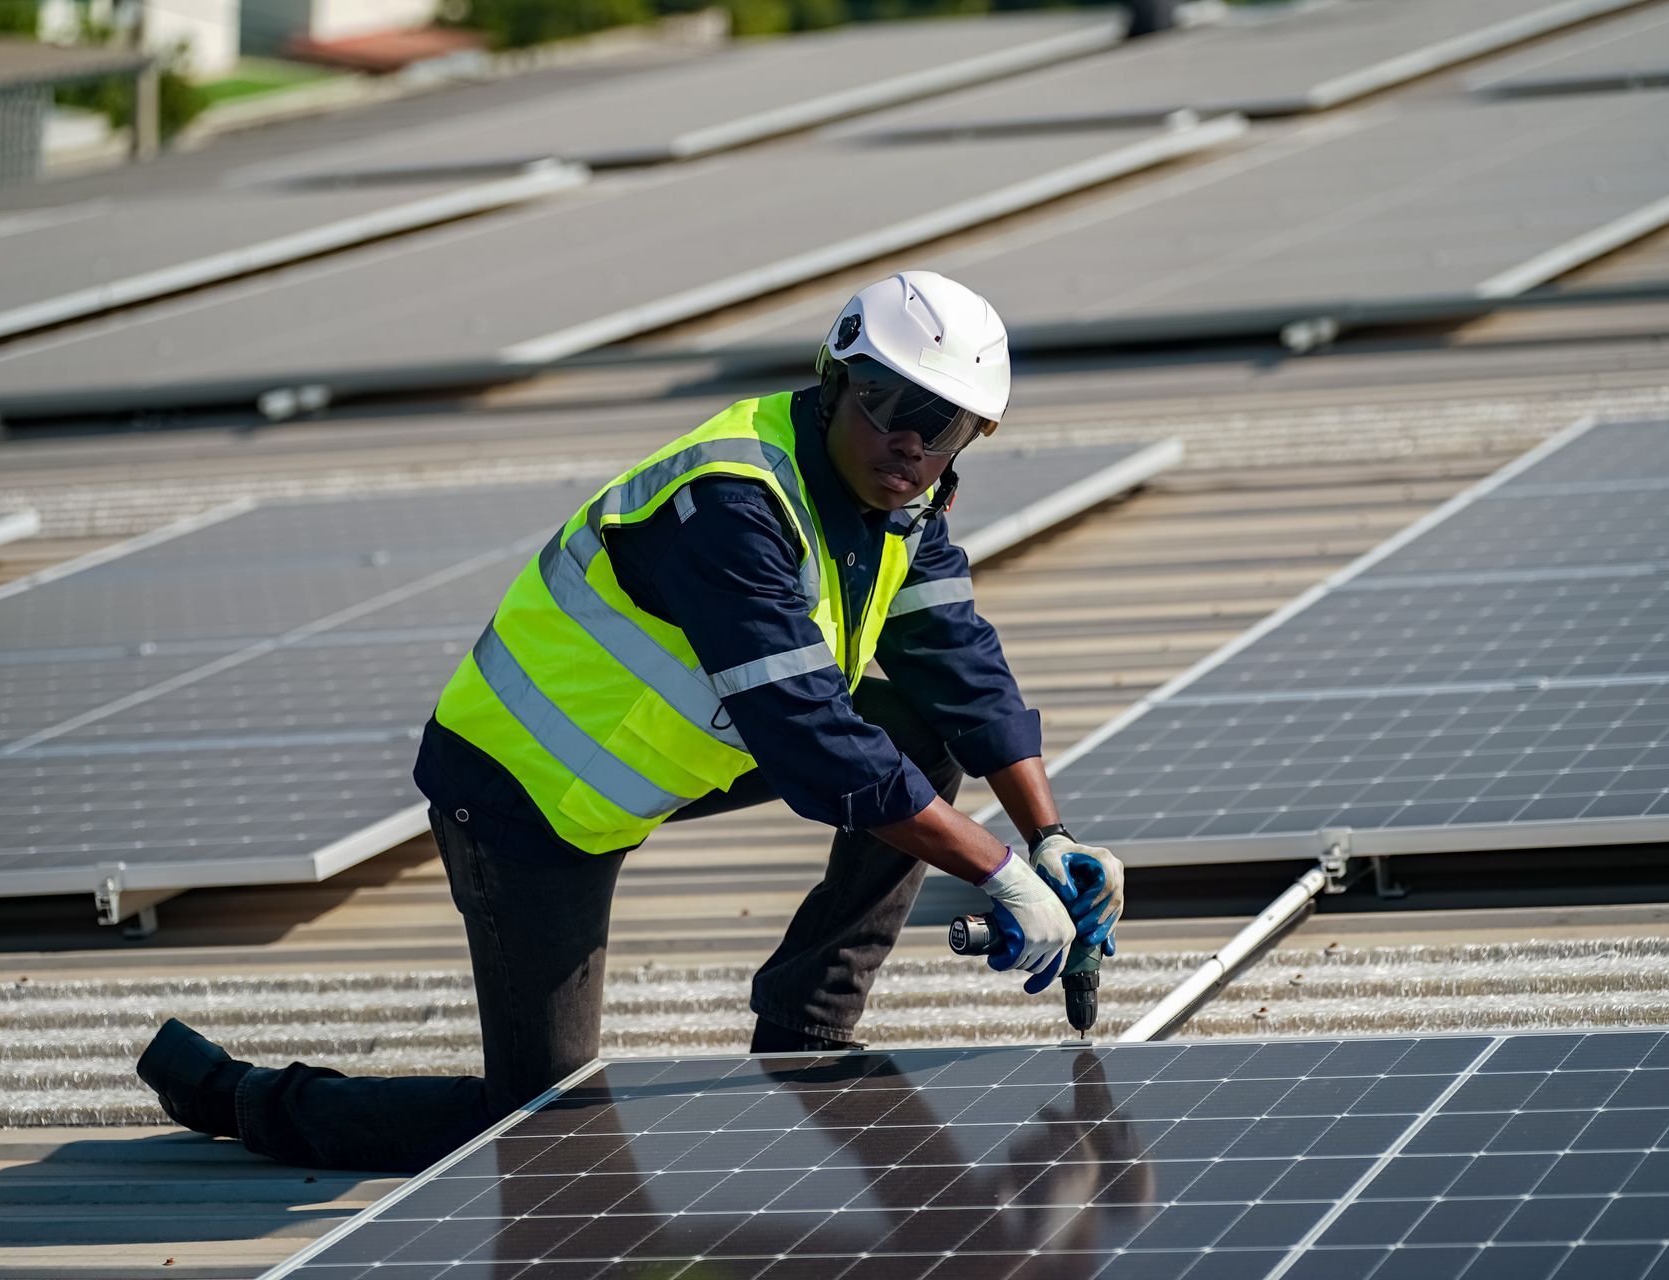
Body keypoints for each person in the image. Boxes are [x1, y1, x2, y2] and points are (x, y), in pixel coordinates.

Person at [135, 271, 1126, 1173]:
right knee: (537, 1123)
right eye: (892, 407)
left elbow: (961, 668)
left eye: (946, 425)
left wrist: (1049, 834)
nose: (912, 442)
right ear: (834, 381)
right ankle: (243, 1097)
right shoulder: (732, 500)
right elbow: (812, 737)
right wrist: (994, 871)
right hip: (524, 797)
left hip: (660, 757)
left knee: (927, 721)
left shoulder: (904, 504)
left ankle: (807, 1020)